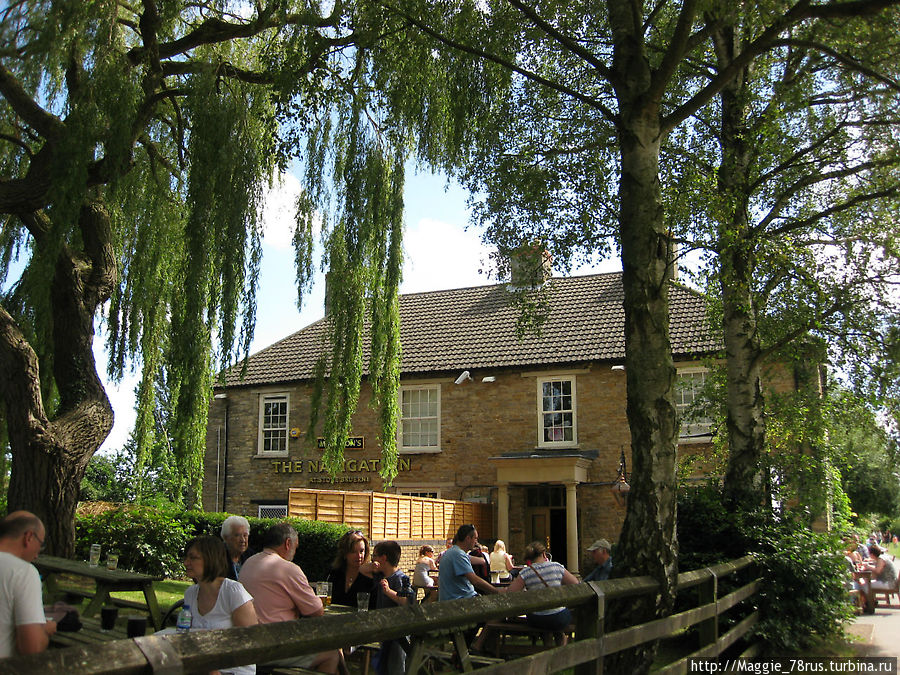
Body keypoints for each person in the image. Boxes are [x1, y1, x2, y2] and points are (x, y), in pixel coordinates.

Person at [239, 523, 341, 674]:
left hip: (247, 642)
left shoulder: (249, 563)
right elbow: (317, 611)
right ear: (288, 543)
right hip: (273, 645)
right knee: (331, 654)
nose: (295, 552)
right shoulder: (287, 569)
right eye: (296, 547)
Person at [182, 536, 258, 675]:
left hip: (234, 669)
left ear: (210, 559)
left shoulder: (233, 591)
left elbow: (249, 641)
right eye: (186, 557)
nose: (186, 562)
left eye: (193, 558)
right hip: (201, 668)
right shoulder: (191, 594)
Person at [0, 511, 57, 659]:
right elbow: (32, 649)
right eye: (41, 544)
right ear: (29, 537)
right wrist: (46, 629)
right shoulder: (23, 572)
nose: (37, 554)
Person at [505, 541, 578, 644]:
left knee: (546, 623)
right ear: (544, 554)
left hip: (537, 618)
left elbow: (510, 592)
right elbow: (575, 583)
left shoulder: (526, 572)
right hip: (558, 617)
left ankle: (547, 647)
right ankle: (561, 651)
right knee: (558, 624)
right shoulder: (556, 567)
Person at [372, 541, 415, 675]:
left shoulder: (401, 578)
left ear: (383, 558)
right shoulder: (380, 576)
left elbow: (406, 601)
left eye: (374, 556)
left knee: (396, 667)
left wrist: (389, 592)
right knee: (383, 666)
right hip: (384, 631)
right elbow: (362, 569)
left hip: (398, 634)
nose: (373, 560)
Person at [438, 524, 502, 601]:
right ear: (468, 538)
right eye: (475, 538)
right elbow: (475, 581)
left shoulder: (452, 552)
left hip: (454, 598)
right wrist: (497, 591)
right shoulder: (458, 554)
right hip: (461, 600)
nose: (476, 542)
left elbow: (474, 559)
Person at [326, 530, 375, 608]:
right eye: (353, 552)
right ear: (344, 553)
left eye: (361, 551)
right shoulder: (335, 574)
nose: (359, 556)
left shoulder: (371, 576)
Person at [221, 515, 255, 581]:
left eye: (245, 535)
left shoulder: (251, 556)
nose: (243, 540)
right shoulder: (217, 557)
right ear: (226, 537)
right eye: (237, 535)